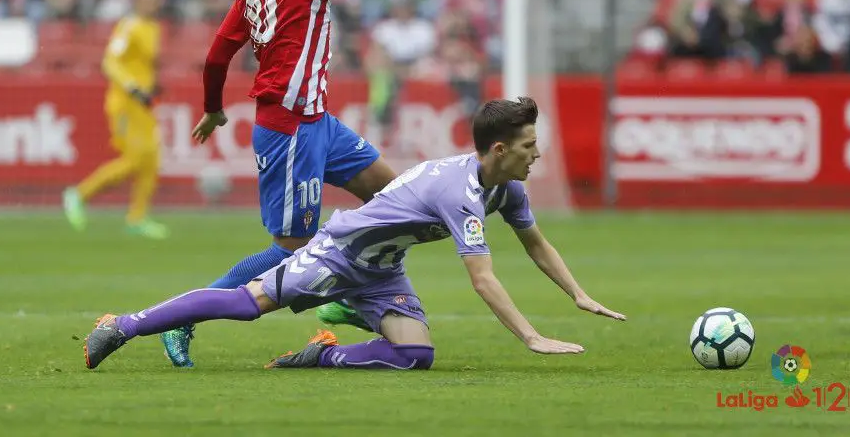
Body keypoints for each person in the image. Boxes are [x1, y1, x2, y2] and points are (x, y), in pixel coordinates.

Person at [84, 97, 627, 371]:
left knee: (416, 356)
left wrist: (578, 295)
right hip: (338, 252)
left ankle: (321, 355)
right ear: (501, 151)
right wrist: (532, 337)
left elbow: (536, 243)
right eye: (530, 146)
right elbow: (482, 280)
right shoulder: (460, 189)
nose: (539, 155)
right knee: (246, 304)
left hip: (380, 269)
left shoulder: (505, 187)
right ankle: (125, 324)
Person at [157, 0, 407, 368]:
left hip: (318, 122)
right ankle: (186, 314)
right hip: (289, 128)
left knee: (394, 197)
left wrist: (212, 109)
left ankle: (350, 297)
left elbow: (217, 54)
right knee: (292, 248)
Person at [62, 0, 168, 240]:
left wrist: (151, 84)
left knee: (151, 159)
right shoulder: (129, 26)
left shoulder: (154, 28)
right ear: (137, 1)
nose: (153, 3)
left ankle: (137, 217)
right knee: (134, 159)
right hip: (124, 104)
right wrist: (132, 87)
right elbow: (110, 62)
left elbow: (141, 64)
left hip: (143, 104)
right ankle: (78, 194)